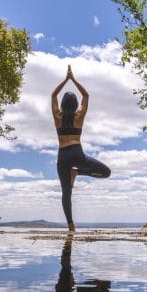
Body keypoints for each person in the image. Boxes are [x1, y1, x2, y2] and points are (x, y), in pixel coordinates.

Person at [52, 65, 111, 232]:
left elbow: (53, 95)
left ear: (63, 104)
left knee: (66, 193)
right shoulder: (79, 117)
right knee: (106, 172)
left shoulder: (58, 117)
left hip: (63, 155)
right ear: (75, 103)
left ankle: (71, 226)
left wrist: (65, 80)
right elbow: (86, 95)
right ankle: (77, 172)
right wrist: (73, 79)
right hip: (77, 154)